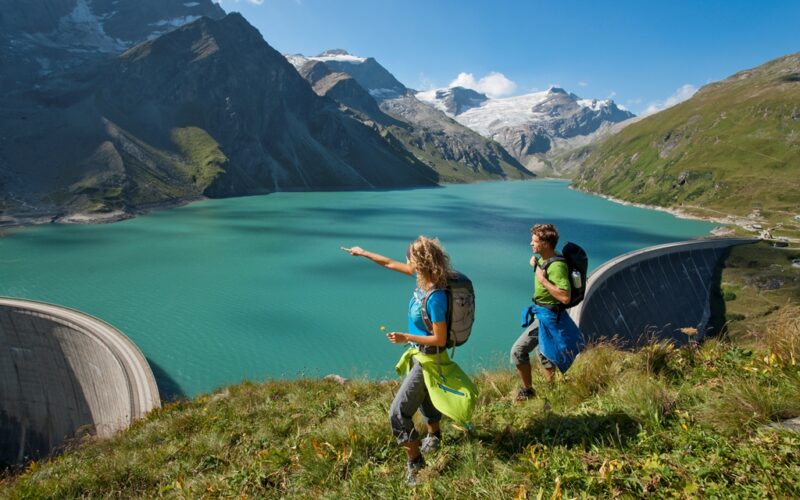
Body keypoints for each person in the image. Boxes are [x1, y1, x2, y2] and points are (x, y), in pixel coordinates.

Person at [342, 236, 453, 486]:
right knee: (423, 397)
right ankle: (434, 437)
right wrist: (363, 251)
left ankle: (415, 464)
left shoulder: (435, 295)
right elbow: (390, 263)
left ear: (419, 261)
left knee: (398, 412)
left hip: (429, 358)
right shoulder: (422, 280)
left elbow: (440, 337)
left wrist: (406, 337)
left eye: (410, 256)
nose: (406, 259)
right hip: (420, 355)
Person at [510, 223, 585, 401]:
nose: (531, 243)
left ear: (545, 244)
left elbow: (565, 296)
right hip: (543, 313)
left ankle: (528, 391)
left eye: (534, 241)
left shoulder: (557, 266)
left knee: (518, 351)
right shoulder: (546, 259)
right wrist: (536, 267)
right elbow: (544, 273)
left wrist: (542, 280)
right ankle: (552, 391)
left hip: (548, 316)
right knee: (544, 353)